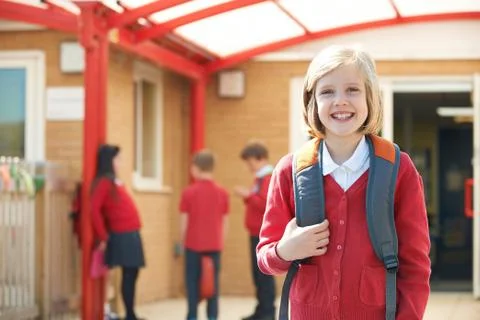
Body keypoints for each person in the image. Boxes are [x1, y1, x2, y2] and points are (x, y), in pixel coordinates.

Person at [256, 46, 431, 319]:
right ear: (311, 101)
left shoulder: (398, 169)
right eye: (327, 92)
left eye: (352, 90)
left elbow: (416, 265)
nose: (340, 101)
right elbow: (266, 258)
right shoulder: (290, 171)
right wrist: (285, 250)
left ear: (370, 98)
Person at [91, 144, 145, 320]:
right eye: (117, 159)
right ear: (109, 161)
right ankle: (129, 314)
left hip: (131, 232)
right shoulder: (104, 182)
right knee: (129, 272)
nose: (120, 163)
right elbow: (94, 209)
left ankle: (131, 312)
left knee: (133, 272)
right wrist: (103, 236)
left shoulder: (114, 181)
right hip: (121, 234)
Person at [179, 150, 230, 320]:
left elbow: (183, 223)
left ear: (196, 168)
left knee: (192, 285)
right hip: (215, 246)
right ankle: (213, 317)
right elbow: (225, 223)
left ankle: (192, 316)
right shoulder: (222, 193)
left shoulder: (188, 192)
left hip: (193, 246)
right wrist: (221, 243)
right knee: (212, 287)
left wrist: (181, 242)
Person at [234, 141, 276, 320]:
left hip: (262, 233)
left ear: (260, 159)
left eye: (250, 162)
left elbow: (266, 204)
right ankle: (261, 309)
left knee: (263, 275)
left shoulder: (267, 178)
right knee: (257, 275)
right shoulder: (260, 178)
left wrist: (247, 196)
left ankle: (267, 312)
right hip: (255, 232)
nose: (249, 166)